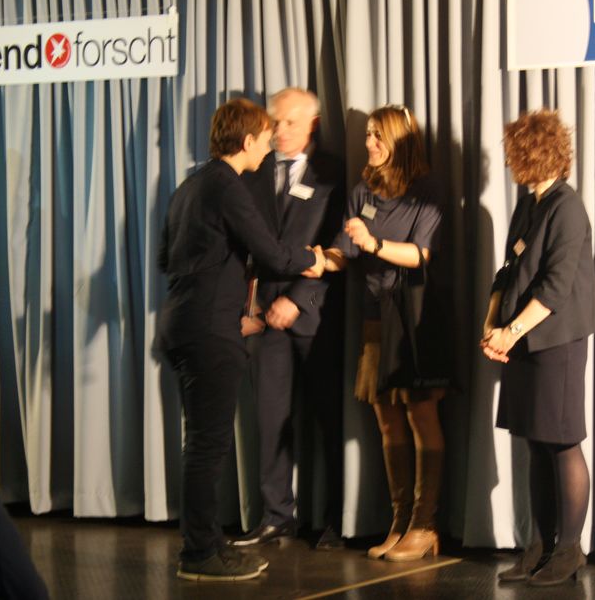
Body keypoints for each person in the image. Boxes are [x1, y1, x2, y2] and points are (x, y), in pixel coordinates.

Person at [156, 97, 325, 581]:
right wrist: (311, 260)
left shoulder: (190, 186)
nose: (271, 142)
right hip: (211, 331)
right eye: (265, 136)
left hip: (182, 323)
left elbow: (167, 258)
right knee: (207, 446)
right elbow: (271, 253)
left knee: (201, 443)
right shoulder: (228, 186)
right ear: (248, 141)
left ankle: (205, 544)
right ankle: (200, 554)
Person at [480, 110, 595, 586]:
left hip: (557, 341)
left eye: (515, 153)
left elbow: (554, 287)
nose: (510, 162)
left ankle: (569, 551)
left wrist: (510, 333)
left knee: (562, 442)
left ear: (534, 153)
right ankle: (539, 545)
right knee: (535, 442)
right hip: (522, 339)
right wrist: (491, 325)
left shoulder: (566, 207)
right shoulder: (528, 205)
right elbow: (506, 273)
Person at [322, 105, 450, 562]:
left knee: (420, 416)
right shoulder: (362, 189)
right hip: (374, 317)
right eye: (368, 135)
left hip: (414, 320)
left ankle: (425, 523)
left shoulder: (426, 190)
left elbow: (422, 255)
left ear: (399, 141)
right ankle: (399, 521)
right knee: (386, 420)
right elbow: (343, 247)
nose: (369, 142)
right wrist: (319, 260)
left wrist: (373, 243)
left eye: (377, 136)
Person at [230, 88, 347, 550]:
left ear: (312, 125)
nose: (278, 132)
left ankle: (337, 520)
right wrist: (252, 305)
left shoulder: (334, 173)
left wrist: (298, 299)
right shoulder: (256, 169)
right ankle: (277, 516)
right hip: (264, 318)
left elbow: (338, 244)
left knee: (327, 421)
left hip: (314, 317)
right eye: (275, 123)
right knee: (270, 420)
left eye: (289, 124)